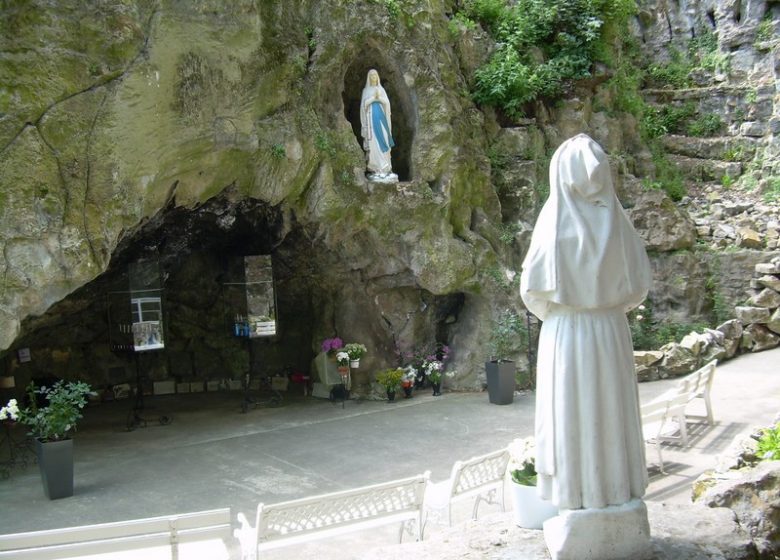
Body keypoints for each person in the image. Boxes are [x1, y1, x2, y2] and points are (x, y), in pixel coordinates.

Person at [520, 133, 652, 511]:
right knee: (612, 408)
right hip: (610, 331)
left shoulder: (554, 222)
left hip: (567, 333)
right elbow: (638, 286)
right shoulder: (618, 223)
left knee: (572, 412)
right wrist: (605, 306)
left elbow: (534, 291)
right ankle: (617, 490)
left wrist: (569, 307)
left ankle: (576, 497)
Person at [360, 69, 397, 181]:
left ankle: (385, 167)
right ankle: (376, 168)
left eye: (375, 75)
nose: (373, 77)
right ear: (368, 78)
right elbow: (363, 106)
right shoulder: (366, 91)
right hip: (371, 120)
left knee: (384, 139)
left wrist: (379, 98)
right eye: (371, 76)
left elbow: (387, 104)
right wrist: (372, 99)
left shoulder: (381, 90)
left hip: (381, 119)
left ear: (378, 77)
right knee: (374, 143)